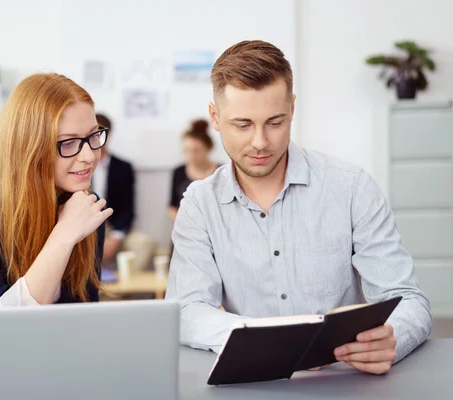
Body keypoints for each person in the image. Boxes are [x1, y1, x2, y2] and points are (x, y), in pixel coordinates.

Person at [165, 40, 433, 375]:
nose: (260, 142)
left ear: (292, 109)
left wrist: (394, 335)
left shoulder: (351, 187)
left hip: (345, 383)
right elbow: (186, 310)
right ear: (215, 118)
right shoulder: (199, 205)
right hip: (251, 382)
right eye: (243, 124)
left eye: (275, 122)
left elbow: (408, 298)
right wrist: (266, 340)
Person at [0, 73, 113, 353]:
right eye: (68, 143)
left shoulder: (86, 208)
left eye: (93, 136)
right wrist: (63, 236)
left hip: (53, 365)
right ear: (28, 147)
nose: (89, 155)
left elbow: (82, 316)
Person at [92, 113, 157, 272]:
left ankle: (122, 290)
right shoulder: (78, 165)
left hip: (115, 227)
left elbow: (128, 209)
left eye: (100, 133)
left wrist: (115, 238)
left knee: (144, 243)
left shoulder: (123, 167)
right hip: (87, 228)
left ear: (109, 134)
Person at [168, 119, 219, 223]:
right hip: (185, 229)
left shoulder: (222, 172)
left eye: (196, 151)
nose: (191, 156)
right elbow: (172, 207)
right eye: (187, 150)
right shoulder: (178, 172)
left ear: (208, 148)